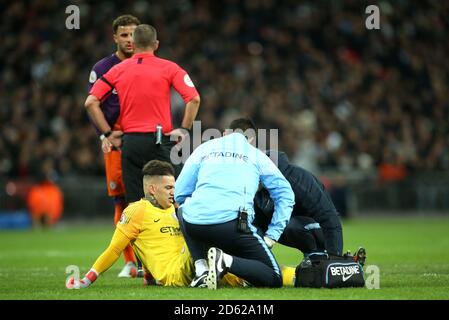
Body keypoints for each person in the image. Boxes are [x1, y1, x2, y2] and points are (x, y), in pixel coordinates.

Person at [65, 160, 248, 289]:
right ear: (152, 189)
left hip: (201, 262)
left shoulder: (176, 208)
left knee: (260, 277)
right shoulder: (137, 210)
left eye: (174, 187)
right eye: (168, 188)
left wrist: (148, 276)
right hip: (177, 273)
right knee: (204, 222)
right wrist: (86, 280)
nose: (173, 192)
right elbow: (114, 250)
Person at [84, 24, 201, 206]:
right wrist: (184, 129)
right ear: (156, 44)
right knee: (177, 197)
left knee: (136, 205)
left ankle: (140, 234)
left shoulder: (118, 70)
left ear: (134, 43)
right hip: (160, 142)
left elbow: (90, 102)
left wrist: (107, 133)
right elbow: (194, 99)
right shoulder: (169, 68)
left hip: (130, 144)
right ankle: (175, 234)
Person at [174, 118, 295, 290]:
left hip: (195, 226)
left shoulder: (204, 148)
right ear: (251, 139)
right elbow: (286, 194)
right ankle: (225, 261)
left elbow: (179, 193)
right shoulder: (256, 155)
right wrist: (273, 234)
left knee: (184, 209)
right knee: (274, 276)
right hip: (232, 227)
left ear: (225, 133)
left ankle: (201, 269)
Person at [86, 14, 140, 278]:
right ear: (115, 37)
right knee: (122, 199)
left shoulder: (146, 64)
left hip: (143, 138)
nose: (129, 40)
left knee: (148, 197)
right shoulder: (103, 67)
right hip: (117, 141)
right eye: (124, 35)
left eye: (133, 34)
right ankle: (130, 262)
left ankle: (150, 259)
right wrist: (104, 135)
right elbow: (92, 104)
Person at [254, 150, 344, 256]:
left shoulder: (298, 180)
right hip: (293, 226)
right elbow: (257, 224)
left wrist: (335, 256)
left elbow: (329, 218)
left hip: (319, 228)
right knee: (253, 230)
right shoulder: (259, 188)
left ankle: (318, 256)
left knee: (291, 225)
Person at [27, 158, 63, 228]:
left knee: (49, 210)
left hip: (49, 193)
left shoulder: (53, 173)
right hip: (41, 194)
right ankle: (36, 225)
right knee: (37, 210)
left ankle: (49, 225)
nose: (48, 166)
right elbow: (37, 182)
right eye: (47, 164)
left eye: (49, 164)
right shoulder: (39, 173)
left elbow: (55, 182)